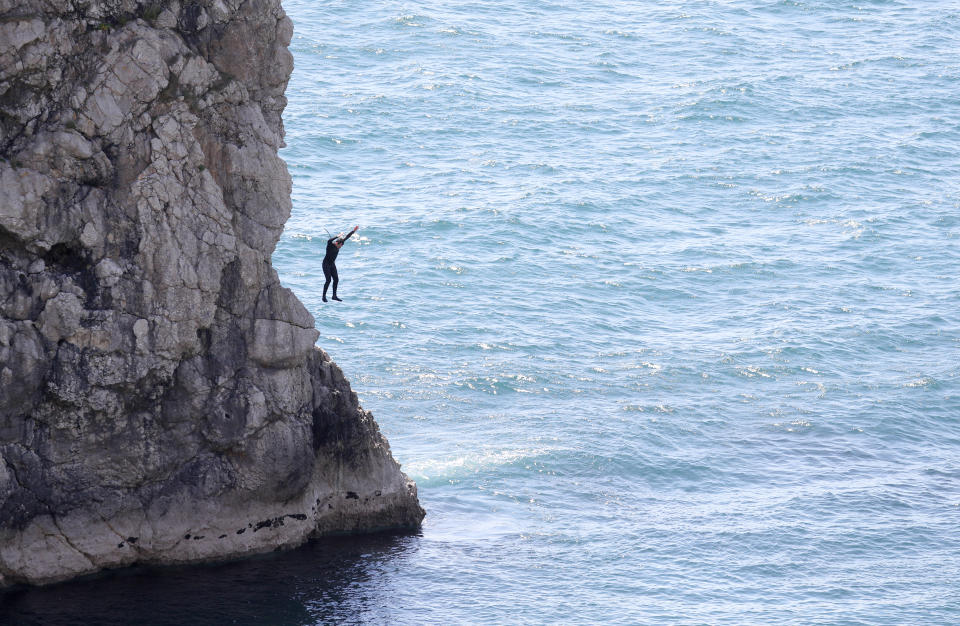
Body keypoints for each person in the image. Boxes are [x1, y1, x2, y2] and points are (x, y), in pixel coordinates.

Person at [322, 225, 359, 302]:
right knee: (328, 280)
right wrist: (337, 236)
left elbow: (347, 237)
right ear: (337, 243)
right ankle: (324, 296)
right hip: (326, 264)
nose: (340, 247)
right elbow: (329, 240)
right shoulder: (330, 245)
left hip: (332, 264)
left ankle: (334, 296)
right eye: (340, 246)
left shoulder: (340, 242)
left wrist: (353, 231)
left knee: (336, 279)